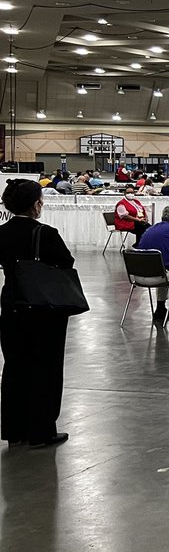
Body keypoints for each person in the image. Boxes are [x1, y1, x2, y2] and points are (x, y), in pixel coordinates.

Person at [0, 179, 76, 448]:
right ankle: (41, 430)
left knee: (14, 367)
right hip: (44, 308)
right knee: (46, 368)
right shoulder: (46, 233)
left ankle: (14, 430)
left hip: (11, 305)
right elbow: (66, 262)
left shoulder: (2, 232)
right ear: (36, 205)